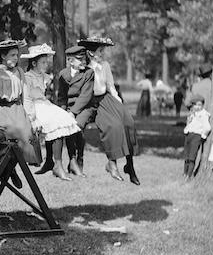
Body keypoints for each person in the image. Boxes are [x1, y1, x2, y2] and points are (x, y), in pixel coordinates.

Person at [78, 36, 140, 185]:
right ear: (91, 53)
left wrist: (119, 103)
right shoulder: (84, 69)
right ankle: (111, 162)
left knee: (128, 122)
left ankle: (129, 165)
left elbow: (110, 86)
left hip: (106, 98)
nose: (102, 54)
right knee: (113, 126)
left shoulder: (104, 65)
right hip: (92, 101)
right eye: (100, 51)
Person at [21, 44, 81, 181]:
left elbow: (44, 95)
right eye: (43, 62)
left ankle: (52, 161)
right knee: (54, 123)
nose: (46, 64)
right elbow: (27, 99)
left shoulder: (44, 76)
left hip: (44, 104)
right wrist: (32, 118)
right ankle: (57, 165)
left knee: (64, 119)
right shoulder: (27, 77)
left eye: (47, 61)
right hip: (34, 107)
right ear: (34, 63)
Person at [0, 39, 40, 166]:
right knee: (10, 133)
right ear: (3, 56)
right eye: (12, 55)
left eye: (17, 55)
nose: (16, 58)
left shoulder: (19, 71)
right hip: (2, 109)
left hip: (17, 107)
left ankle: (22, 161)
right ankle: (7, 167)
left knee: (26, 131)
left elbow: (25, 94)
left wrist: (31, 115)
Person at [54, 46, 96, 176]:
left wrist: (72, 113)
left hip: (84, 108)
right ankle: (72, 160)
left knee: (77, 126)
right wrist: (63, 111)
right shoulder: (63, 74)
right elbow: (61, 97)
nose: (83, 61)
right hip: (67, 108)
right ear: (71, 61)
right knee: (66, 126)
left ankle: (79, 159)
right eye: (79, 59)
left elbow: (85, 96)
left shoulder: (89, 73)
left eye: (84, 59)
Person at [183, 94, 211, 180]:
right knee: (186, 156)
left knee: (192, 156)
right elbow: (189, 124)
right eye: (195, 105)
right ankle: (184, 173)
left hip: (196, 136)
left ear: (203, 105)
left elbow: (207, 127)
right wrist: (186, 129)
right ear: (192, 105)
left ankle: (189, 175)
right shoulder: (192, 113)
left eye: (200, 105)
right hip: (189, 135)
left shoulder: (204, 114)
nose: (197, 107)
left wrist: (203, 136)